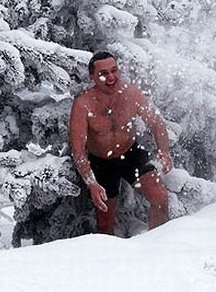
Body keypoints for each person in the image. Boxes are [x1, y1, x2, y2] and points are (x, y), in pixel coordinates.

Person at [69, 51, 173, 234]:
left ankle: (159, 247)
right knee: (104, 222)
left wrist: (164, 151)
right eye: (103, 73)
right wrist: (91, 183)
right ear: (92, 76)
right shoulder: (83, 104)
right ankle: (111, 260)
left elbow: (156, 123)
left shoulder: (131, 93)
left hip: (130, 154)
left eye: (114, 70)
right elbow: (78, 151)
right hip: (101, 163)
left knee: (160, 198)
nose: (111, 77)